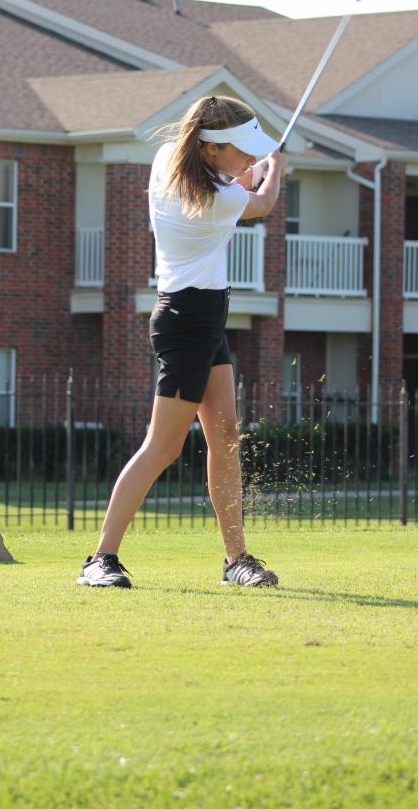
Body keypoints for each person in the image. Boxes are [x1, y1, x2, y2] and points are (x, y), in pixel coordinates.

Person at [77, 95, 289, 588]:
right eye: (242, 149)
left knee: (225, 435)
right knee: (163, 447)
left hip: (202, 316)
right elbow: (261, 202)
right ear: (212, 149)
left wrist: (247, 165)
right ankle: (100, 559)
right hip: (188, 321)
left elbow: (233, 177)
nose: (250, 158)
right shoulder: (219, 199)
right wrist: (274, 167)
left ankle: (236, 560)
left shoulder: (170, 159)